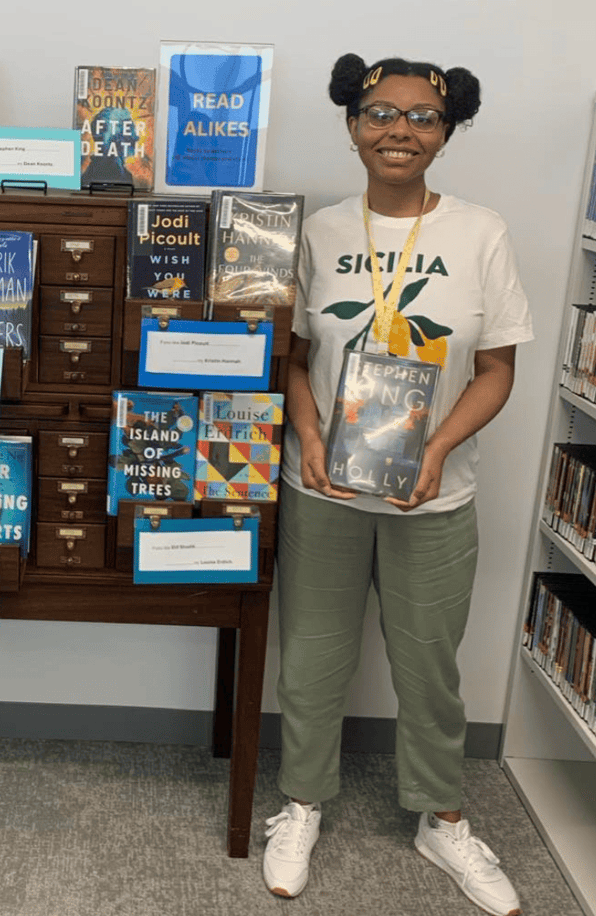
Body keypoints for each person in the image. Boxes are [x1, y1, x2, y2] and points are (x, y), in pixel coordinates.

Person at [263, 55, 532, 916]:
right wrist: (305, 433)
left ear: (447, 133)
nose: (399, 130)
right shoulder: (320, 233)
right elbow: (294, 359)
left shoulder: (481, 233)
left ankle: (441, 819)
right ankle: (302, 804)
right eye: (380, 112)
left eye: (421, 117)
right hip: (325, 492)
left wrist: (440, 446)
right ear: (351, 125)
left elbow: (496, 371)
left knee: (429, 668)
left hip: (434, 496)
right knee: (310, 660)